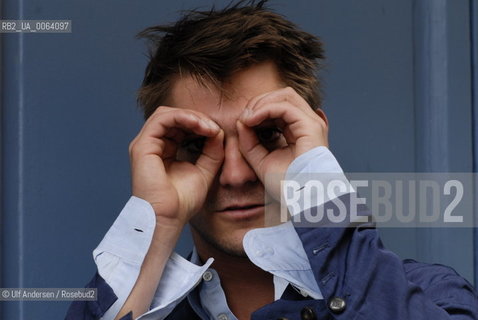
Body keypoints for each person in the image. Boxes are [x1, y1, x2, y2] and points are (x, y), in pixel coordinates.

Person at [66, 1, 478, 319]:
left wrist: (315, 185)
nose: (235, 174)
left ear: (312, 140)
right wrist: (155, 222)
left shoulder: (433, 295)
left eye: (266, 135)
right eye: (196, 144)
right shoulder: (130, 308)